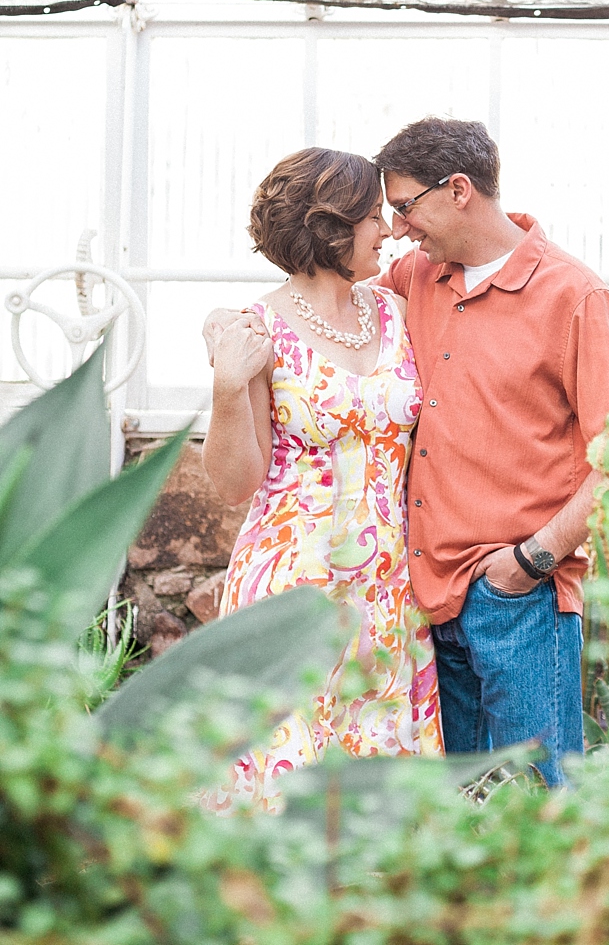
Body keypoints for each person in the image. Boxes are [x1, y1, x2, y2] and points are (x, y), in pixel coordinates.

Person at [206, 120, 609, 787]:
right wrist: (225, 358)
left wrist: (533, 560)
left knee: (541, 786)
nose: (396, 229)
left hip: (490, 587)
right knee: (433, 793)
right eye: (380, 216)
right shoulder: (410, 284)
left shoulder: (564, 297)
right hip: (396, 588)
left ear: (457, 191)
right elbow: (304, 307)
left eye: (400, 209)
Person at [203, 146, 443, 812]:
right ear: (330, 228)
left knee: (377, 784)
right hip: (291, 588)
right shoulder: (257, 330)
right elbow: (233, 482)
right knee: (286, 779)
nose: (390, 229)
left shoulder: (395, 310)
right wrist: (228, 386)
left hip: (388, 590)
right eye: (373, 218)